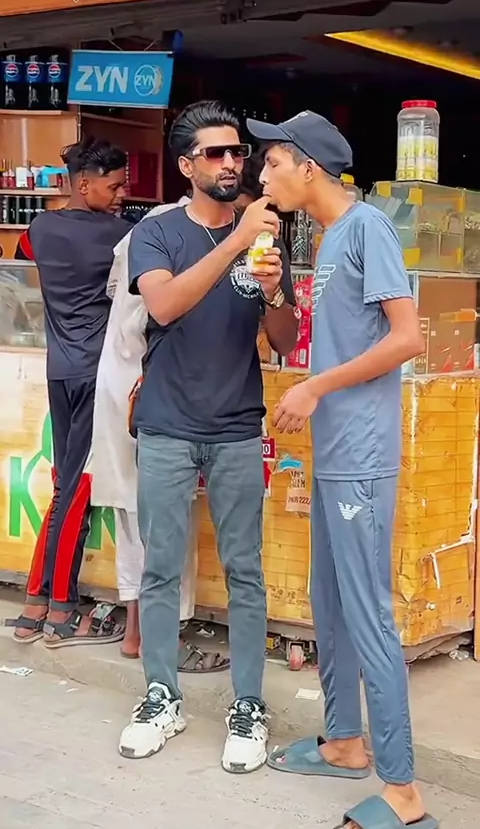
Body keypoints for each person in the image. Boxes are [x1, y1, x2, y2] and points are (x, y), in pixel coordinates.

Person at [247, 112, 436, 829]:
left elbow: (408, 338)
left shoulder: (367, 229)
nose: (262, 176)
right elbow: (334, 339)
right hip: (332, 454)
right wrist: (275, 294)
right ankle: (345, 741)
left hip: (360, 456)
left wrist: (315, 388)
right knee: (329, 604)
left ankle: (403, 790)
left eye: (272, 163)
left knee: (367, 613)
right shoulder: (328, 240)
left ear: (309, 168)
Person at [119, 99, 298, 770]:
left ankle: (248, 704)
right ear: (186, 166)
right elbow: (164, 304)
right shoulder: (158, 233)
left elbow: (284, 340)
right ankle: (161, 696)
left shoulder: (267, 237)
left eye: (236, 152)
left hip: (236, 426)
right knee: (162, 566)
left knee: (245, 571)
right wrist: (235, 242)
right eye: (215, 153)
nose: (231, 163)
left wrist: (274, 292)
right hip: (167, 422)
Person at [90, 194, 228, 672]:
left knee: (137, 516)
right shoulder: (175, 232)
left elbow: (117, 294)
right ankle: (162, 638)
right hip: (149, 388)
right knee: (168, 518)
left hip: (123, 382)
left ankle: (136, 630)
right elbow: (165, 310)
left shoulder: (145, 229)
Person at [8, 138, 132, 648]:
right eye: (115, 185)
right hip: (97, 375)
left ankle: (37, 604)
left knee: (66, 485)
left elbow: (21, 263)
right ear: (84, 183)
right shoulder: (121, 236)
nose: (122, 194)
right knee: (75, 489)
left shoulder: (40, 228)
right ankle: (57, 606)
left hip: (60, 371)